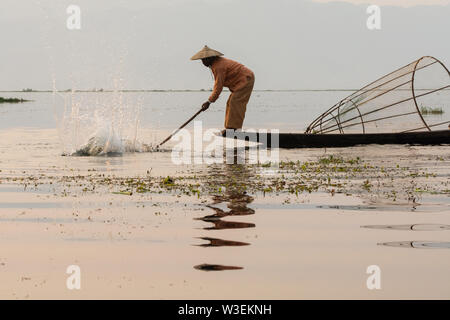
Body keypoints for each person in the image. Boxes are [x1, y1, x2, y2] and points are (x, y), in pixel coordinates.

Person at [190, 45, 255, 132]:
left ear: (211, 58)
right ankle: (230, 128)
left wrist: (209, 101)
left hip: (246, 79)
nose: (203, 62)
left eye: (205, 59)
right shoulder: (216, 65)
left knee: (235, 102)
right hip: (242, 81)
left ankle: (233, 129)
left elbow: (218, 87)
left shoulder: (219, 66)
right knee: (231, 102)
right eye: (202, 60)